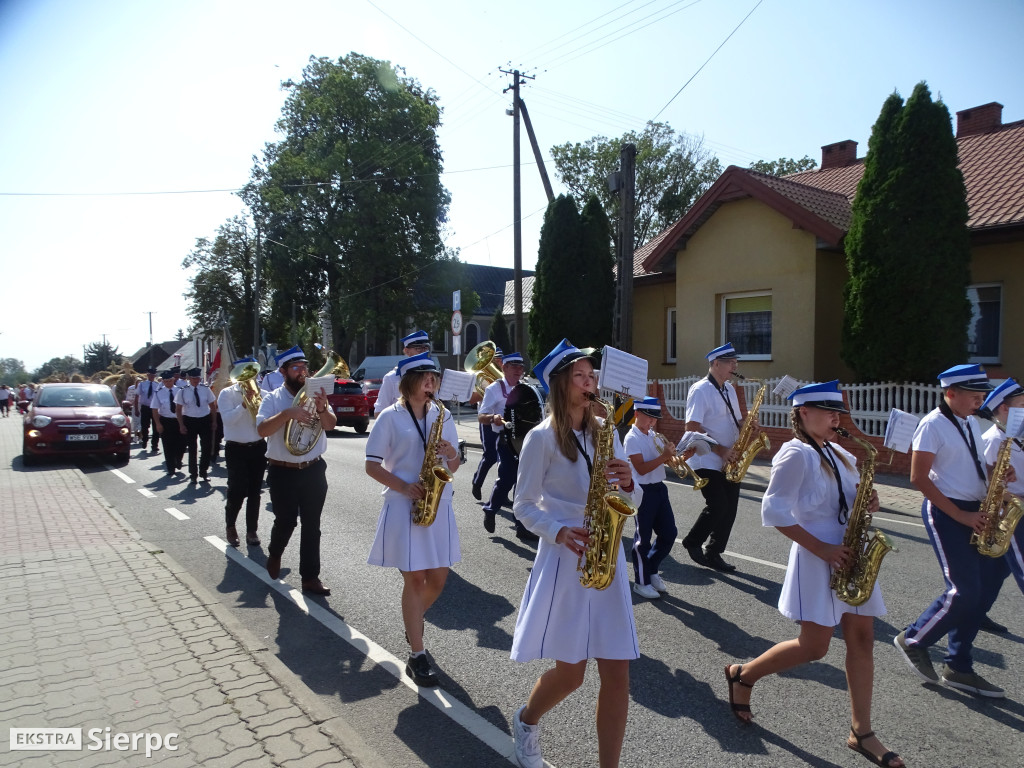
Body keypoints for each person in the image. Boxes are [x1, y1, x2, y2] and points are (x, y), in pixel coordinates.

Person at [723, 381, 903, 768]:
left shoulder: (839, 452)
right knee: (815, 647)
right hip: (816, 554)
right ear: (804, 413)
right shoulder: (796, 454)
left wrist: (870, 500)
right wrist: (821, 549)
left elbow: (852, 500)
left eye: (838, 412)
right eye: (828, 411)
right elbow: (773, 512)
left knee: (863, 639)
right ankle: (744, 674)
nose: (836, 419)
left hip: (849, 552)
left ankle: (862, 731)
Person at [509, 339, 641, 768]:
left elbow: (632, 497)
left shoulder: (606, 433)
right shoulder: (540, 439)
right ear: (562, 384)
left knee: (617, 672)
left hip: (608, 556)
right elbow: (523, 504)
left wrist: (628, 481)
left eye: (592, 376)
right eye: (581, 377)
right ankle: (527, 721)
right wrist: (558, 530)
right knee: (572, 673)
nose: (590, 383)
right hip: (567, 557)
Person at [893, 364, 1009, 698]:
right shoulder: (933, 425)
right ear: (950, 393)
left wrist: (997, 479)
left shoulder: (970, 422)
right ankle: (914, 638)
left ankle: (959, 665)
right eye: (973, 395)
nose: (979, 400)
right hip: (949, 513)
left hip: (974, 512)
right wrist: (960, 515)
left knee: (983, 591)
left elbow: (971, 464)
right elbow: (918, 478)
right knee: (963, 592)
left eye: (981, 395)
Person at [364, 352, 462, 687]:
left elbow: (455, 464)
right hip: (405, 505)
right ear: (407, 383)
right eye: (425, 377)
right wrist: (405, 486)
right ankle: (417, 654)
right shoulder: (390, 417)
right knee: (415, 579)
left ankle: (412, 625)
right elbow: (372, 465)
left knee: (438, 579)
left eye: (434, 377)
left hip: (438, 505)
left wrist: (451, 454)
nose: (431, 382)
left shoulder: (442, 415)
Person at [256, 345, 336, 596]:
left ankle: (310, 578)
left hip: (313, 469)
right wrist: (288, 414)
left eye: (304, 367)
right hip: (282, 471)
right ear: (283, 371)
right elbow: (262, 431)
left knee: (312, 525)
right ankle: (275, 553)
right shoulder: (272, 399)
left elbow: (331, 426)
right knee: (286, 521)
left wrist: (322, 408)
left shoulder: (316, 394)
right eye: (296, 368)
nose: (302, 372)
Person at [681, 342, 747, 572]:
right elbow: (692, 427)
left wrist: (748, 426)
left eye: (735, 362)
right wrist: (721, 450)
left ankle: (714, 553)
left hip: (729, 458)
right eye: (730, 362)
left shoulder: (729, 388)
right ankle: (692, 541)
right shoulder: (700, 390)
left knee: (730, 509)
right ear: (715, 364)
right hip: (706, 457)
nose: (735, 366)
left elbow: (737, 420)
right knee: (718, 504)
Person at [623, 396, 679, 599]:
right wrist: (664, 456)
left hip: (659, 489)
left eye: (655, 418)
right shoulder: (631, 438)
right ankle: (641, 582)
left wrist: (679, 456)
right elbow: (641, 468)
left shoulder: (653, 435)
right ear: (637, 414)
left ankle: (652, 569)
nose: (652, 422)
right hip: (642, 492)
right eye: (648, 417)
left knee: (669, 533)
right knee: (642, 540)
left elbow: (664, 463)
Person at [479, 352, 537, 541]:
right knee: (506, 479)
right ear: (503, 368)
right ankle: (490, 508)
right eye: (513, 367)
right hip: (505, 440)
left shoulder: (526, 387)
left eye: (520, 367)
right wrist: (493, 418)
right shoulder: (494, 389)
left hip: (526, 440)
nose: (518, 371)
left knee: (524, 483)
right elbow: (482, 416)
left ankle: (522, 526)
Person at [978, 378, 1024, 614]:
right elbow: (987, 484)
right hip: (1011, 515)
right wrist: (1016, 501)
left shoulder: (1018, 436)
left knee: (997, 570)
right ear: (1005, 409)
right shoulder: (992, 440)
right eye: (1023, 404)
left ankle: (976, 612)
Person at [218, 357, 268, 548]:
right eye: (246, 373)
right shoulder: (227, 394)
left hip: (257, 447)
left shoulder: (263, 394)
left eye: (253, 373)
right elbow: (228, 420)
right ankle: (230, 525)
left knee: (255, 491)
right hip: (235, 448)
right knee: (237, 490)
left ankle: (251, 530)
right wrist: (244, 405)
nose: (250, 378)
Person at [374, 330, 432, 416]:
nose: (424, 352)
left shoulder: (431, 378)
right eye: (418, 348)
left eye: (426, 347)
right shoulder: (392, 378)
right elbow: (379, 413)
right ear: (407, 351)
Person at [470, 347, 502, 499]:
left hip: (505, 422)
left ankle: (503, 493)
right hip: (487, 421)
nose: (498, 363)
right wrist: (488, 390)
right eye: (496, 360)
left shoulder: (509, 380)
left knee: (506, 458)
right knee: (490, 455)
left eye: (500, 360)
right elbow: (472, 399)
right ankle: (477, 482)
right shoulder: (484, 379)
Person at [175, 367, 217, 484]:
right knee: (192, 448)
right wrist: (181, 425)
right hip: (189, 420)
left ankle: (203, 471)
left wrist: (214, 421)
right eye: (193, 378)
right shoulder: (183, 390)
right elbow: (178, 409)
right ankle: (193, 474)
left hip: (204, 419)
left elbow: (212, 406)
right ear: (189, 378)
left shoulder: (205, 389)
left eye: (197, 378)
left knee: (206, 447)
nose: (196, 380)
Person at [151, 370, 184, 477]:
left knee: (181, 444)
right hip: (166, 421)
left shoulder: (181, 390)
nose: (168, 383)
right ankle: (171, 468)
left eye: (170, 381)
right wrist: (157, 424)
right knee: (167, 445)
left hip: (179, 420)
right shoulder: (158, 392)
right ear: (163, 382)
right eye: (166, 381)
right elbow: (155, 409)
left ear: (173, 380)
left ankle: (178, 459)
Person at [136, 368, 160, 452]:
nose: (151, 377)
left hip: (155, 408)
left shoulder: (158, 385)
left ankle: (154, 445)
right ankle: (145, 440)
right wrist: (136, 408)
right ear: (147, 375)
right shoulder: (142, 384)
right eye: (150, 375)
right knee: (144, 426)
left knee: (156, 426)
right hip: (145, 407)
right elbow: (137, 396)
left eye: (153, 375)